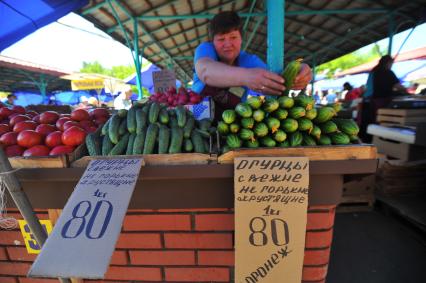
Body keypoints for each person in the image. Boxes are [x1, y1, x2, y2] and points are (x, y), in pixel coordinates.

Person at [192, 11, 312, 120]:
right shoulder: (205, 50)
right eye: (221, 39)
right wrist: (246, 77)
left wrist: (297, 72)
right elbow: (205, 71)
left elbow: (278, 79)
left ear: (241, 39)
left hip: (232, 129)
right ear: (212, 42)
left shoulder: (249, 61)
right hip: (197, 126)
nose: (227, 44)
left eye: (233, 37)